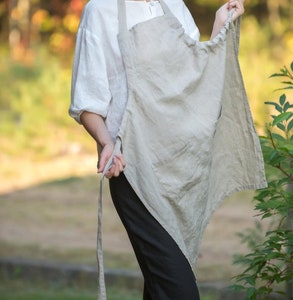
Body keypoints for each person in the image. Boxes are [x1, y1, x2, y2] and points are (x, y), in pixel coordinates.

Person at [69, 1, 266, 299]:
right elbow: (87, 102)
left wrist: (218, 26)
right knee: (179, 290)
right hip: (135, 172)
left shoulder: (172, 4)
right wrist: (106, 142)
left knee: (163, 286)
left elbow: (193, 75)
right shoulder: (101, 9)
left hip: (180, 171)